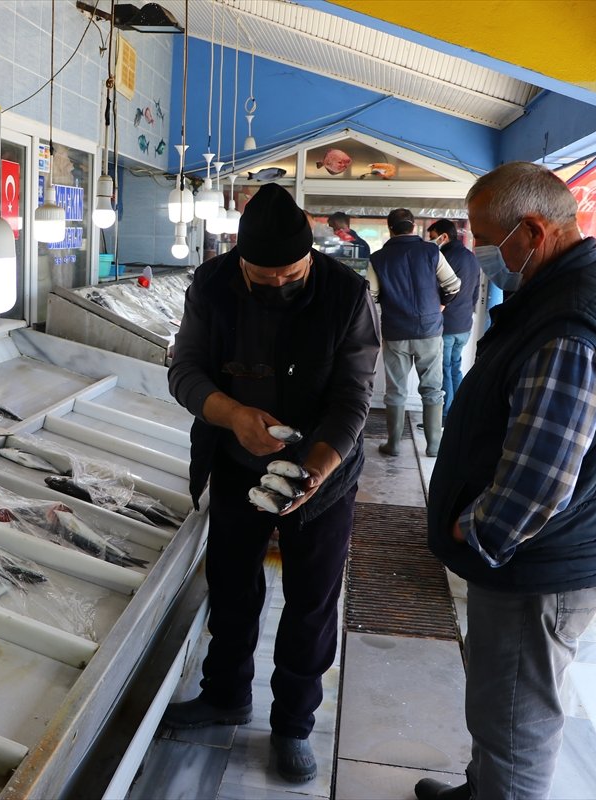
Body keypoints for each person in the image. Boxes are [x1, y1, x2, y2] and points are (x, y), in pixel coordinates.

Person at [415, 162, 596, 800]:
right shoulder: (569, 293)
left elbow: (541, 478)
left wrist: (476, 527)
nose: (480, 254)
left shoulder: (569, 324)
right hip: (550, 553)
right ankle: (479, 787)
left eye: (488, 241)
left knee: (517, 721)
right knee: (501, 698)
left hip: (538, 565)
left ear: (535, 232)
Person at [165, 184, 380, 784]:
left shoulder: (346, 294)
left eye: (291, 274)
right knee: (232, 586)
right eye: (263, 278)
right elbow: (183, 371)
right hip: (235, 464)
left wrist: (316, 467)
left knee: (311, 601)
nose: (279, 286)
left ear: (310, 257)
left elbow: (353, 398)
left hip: (324, 475)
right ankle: (225, 694)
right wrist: (231, 415)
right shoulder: (210, 287)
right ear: (239, 260)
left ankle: (293, 724)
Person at [367, 208, 461, 457]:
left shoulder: (378, 258)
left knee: (396, 390)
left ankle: (394, 444)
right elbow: (453, 285)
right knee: (432, 389)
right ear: (413, 226)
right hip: (429, 331)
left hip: (396, 331)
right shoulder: (431, 251)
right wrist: (439, 306)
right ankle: (433, 445)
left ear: (390, 228)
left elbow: (372, 295)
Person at [427, 219, 481, 422]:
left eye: (433, 237)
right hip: (464, 324)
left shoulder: (443, 257)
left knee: (444, 369)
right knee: (455, 367)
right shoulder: (471, 257)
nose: (431, 241)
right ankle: (458, 411)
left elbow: (437, 291)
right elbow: (475, 293)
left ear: (444, 236)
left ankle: (445, 413)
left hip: (447, 324)